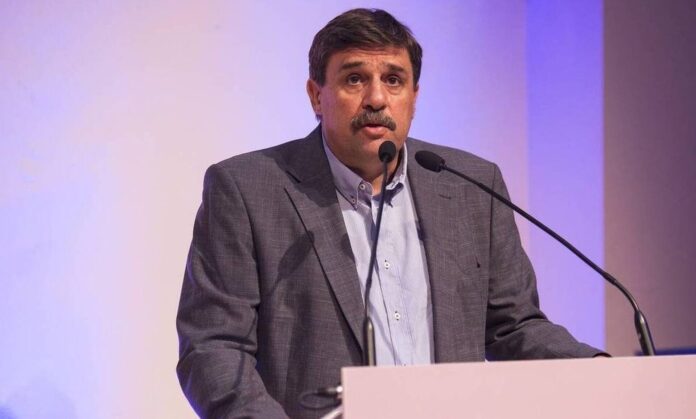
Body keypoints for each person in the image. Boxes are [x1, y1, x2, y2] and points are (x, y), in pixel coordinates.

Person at [176, 8, 604, 419]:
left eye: (394, 80)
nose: (377, 98)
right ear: (316, 96)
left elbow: (514, 328)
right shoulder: (248, 190)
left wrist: (605, 372)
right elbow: (214, 348)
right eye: (354, 78)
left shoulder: (471, 185)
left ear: (414, 98)